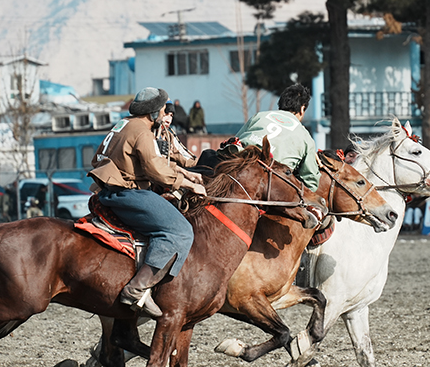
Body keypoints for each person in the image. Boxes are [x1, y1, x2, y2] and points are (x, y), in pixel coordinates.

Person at [90, 87, 207, 318]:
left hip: (108, 189)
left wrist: (186, 173)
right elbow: (155, 170)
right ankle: (137, 289)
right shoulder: (143, 132)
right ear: (153, 112)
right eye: (163, 108)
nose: (165, 113)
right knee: (181, 231)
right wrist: (190, 185)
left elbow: (149, 160)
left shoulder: (123, 125)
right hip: (126, 193)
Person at [235, 83, 320, 192]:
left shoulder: (259, 116)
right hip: (271, 188)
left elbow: (235, 141)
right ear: (302, 108)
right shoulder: (305, 136)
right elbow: (310, 181)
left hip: (238, 173)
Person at [156, 101, 197, 168]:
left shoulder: (169, 136)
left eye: (171, 115)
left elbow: (184, 154)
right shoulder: (148, 134)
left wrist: (200, 163)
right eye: (166, 114)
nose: (168, 120)